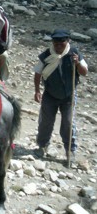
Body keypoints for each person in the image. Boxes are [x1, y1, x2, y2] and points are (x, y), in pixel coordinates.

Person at [33, 29, 88, 161]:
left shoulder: (74, 53)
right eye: (55, 41)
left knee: (68, 122)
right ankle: (42, 146)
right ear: (52, 41)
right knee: (46, 122)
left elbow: (84, 72)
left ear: (67, 41)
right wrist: (37, 90)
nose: (58, 44)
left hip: (69, 95)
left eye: (61, 41)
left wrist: (78, 63)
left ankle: (70, 150)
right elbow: (38, 73)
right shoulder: (46, 55)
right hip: (50, 94)